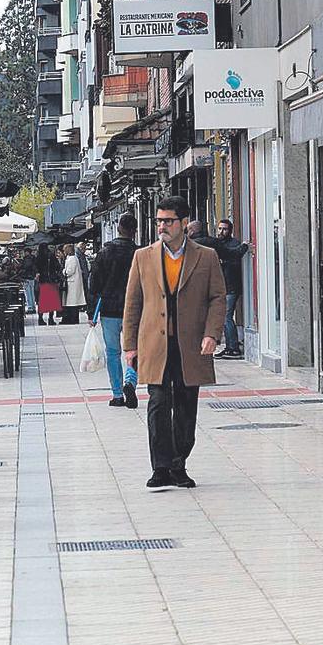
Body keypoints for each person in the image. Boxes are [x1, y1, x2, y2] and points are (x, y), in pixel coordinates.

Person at [123, 196, 227, 490]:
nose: (162, 227)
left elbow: (217, 297)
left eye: (168, 221)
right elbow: (133, 304)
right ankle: (160, 467)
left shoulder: (205, 257)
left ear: (184, 223)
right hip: (155, 344)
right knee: (157, 403)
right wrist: (130, 345)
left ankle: (179, 463)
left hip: (190, 344)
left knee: (185, 404)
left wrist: (212, 334)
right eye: (158, 221)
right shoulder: (142, 257)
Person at [89, 213, 140, 408]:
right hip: (134, 310)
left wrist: (91, 311)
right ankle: (130, 381)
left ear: (118, 228)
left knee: (112, 352)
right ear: (134, 231)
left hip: (109, 309)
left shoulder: (105, 252)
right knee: (133, 349)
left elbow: (94, 283)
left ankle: (118, 394)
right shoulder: (139, 253)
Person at [211, 219, 251, 360]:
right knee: (224, 317)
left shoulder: (233, 244)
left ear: (230, 230)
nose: (221, 232)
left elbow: (235, 257)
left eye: (225, 229)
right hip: (222, 286)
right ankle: (229, 346)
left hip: (231, 286)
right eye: (220, 229)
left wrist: (243, 247)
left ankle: (233, 348)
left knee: (227, 317)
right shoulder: (217, 244)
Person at [35, 244, 62, 326]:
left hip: (42, 281)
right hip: (51, 281)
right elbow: (57, 266)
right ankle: (50, 319)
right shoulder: (51, 255)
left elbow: (35, 267)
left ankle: (40, 319)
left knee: (42, 301)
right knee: (52, 301)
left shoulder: (38, 257)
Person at [60, 244, 87, 324]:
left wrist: (63, 271)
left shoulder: (72, 259)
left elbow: (69, 271)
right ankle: (73, 319)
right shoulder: (73, 258)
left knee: (73, 303)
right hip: (73, 283)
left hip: (72, 283)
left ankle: (72, 319)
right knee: (73, 302)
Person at [18, 249, 38, 314]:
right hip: (32, 277)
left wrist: (20, 270)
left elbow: (25, 267)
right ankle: (33, 307)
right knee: (32, 293)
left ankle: (30, 308)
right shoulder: (34, 258)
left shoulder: (27, 259)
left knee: (28, 293)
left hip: (27, 277)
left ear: (27, 252)